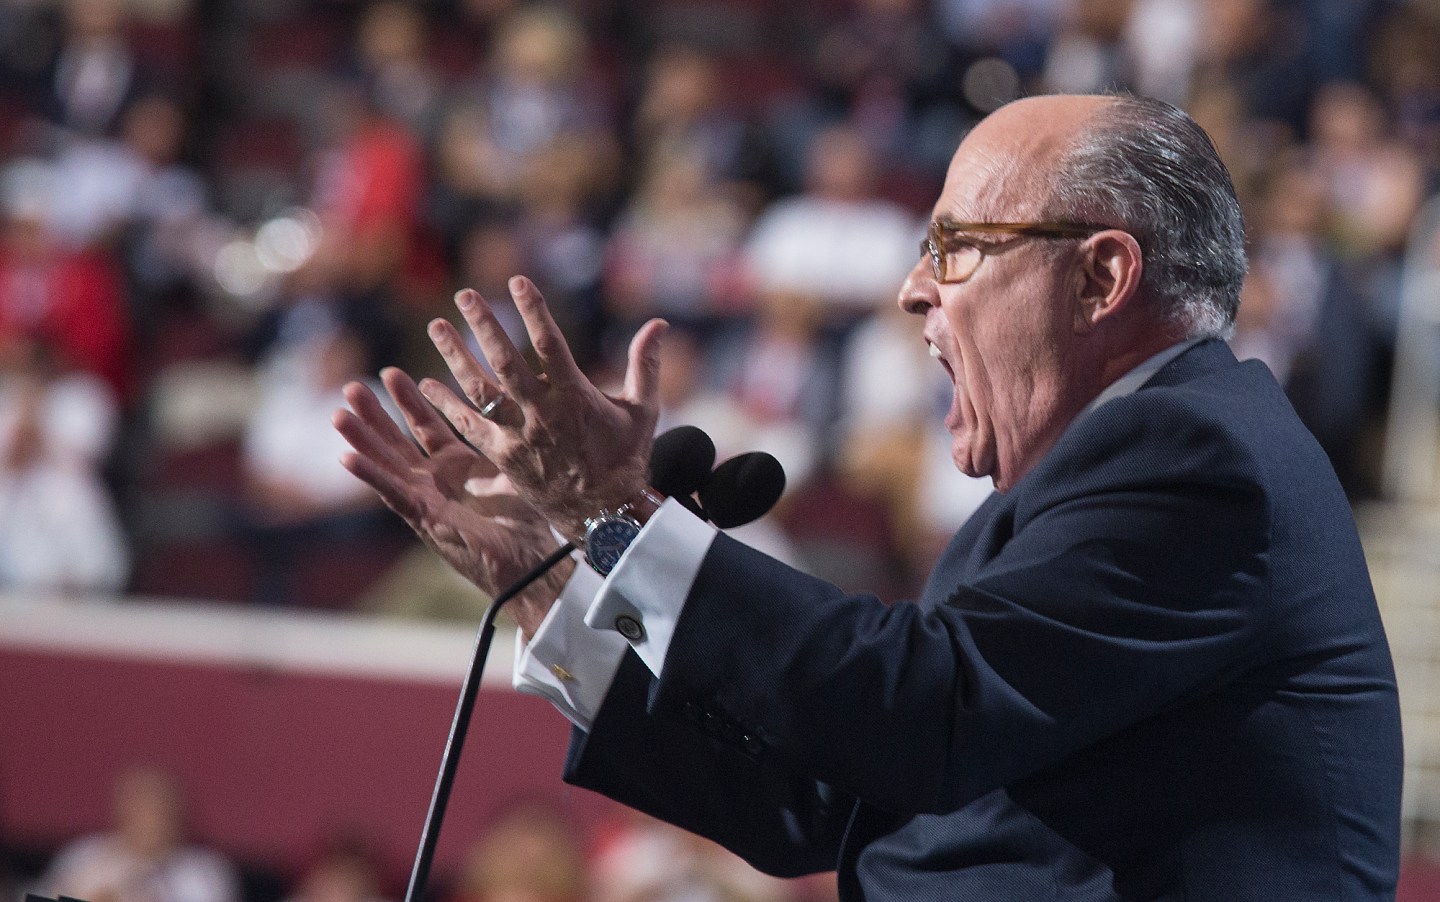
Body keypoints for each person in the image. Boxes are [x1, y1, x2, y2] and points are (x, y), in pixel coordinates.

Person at [334, 94, 1403, 899]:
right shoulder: (1082, 486)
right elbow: (825, 799)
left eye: (955, 247)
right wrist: (552, 580)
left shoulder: (1199, 455)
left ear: (1100, 278)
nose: (911, 288)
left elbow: (924, 713)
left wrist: (616, 513)